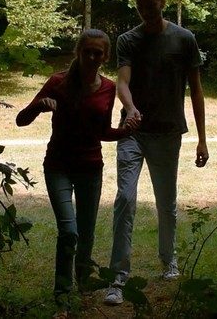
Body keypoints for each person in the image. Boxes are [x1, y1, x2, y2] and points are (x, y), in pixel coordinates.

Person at [16, 29, 137, 315]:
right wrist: (39, 106)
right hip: (58, 166)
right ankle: (62, 292)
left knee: (86, 233)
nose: (92, 57)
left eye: (98, 53)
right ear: (78, 52)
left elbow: (101, 131)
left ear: (105, 56)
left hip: (90, 168)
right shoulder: (57, 82)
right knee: (68, 231)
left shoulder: (108, 88)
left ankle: (82, 284)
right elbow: (21, 120)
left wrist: (126, 131)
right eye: (87, 52)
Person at [104, 0, 209, 305]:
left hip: (167, 133)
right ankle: (118, 278)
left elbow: (197, 92)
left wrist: (202, 139)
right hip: (132, 132)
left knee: (166, 202)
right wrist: (131, 108)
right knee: (124, 198)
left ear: (162, 2)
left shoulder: (184, 39)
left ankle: (169, 261)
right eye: (140, 6)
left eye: (151, 5)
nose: (146, 11)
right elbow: (122, 82)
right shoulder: (128, 40)